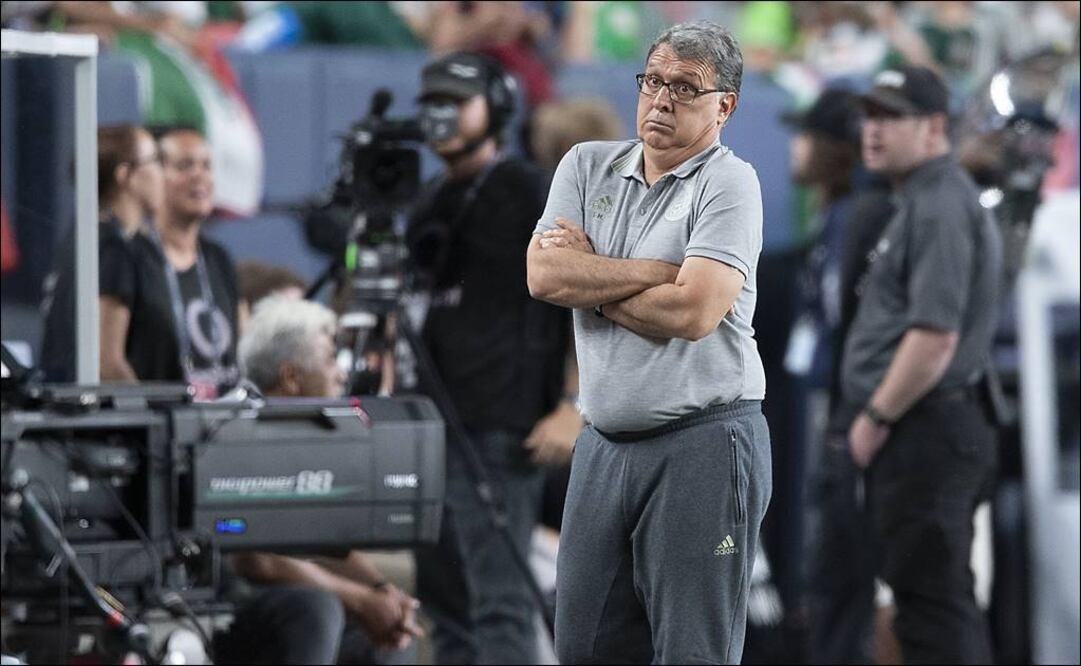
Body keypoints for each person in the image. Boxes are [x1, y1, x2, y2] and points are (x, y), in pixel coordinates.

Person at [527, 21, 772, 664]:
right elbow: (545, 274)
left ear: (725, 106)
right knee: (581, 647)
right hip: (603, 442)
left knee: (691, 651)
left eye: (684, 88)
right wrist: (655, 275)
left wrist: (596, 281)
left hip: (704, 440)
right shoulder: (585, 165)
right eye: (653, 81)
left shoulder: (730, 183)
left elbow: (693, 311)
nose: (661, 99)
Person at [405, 51, 575, 664]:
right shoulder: (425, 200)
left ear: (497, 109)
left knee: (500, 608)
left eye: (454, 102)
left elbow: (586, 300)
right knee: (447, 614)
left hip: (500, 433)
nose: (438, 116)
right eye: (429, 103)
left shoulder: (530, 189)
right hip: (425, 431)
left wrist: (574, 403)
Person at [838, 64, 1002, 664]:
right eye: (869, 116)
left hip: (925, 428)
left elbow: (934, 337)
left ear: (935, 127)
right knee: (930, 601)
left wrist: (875, 416)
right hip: (927, 429)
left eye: (891, 117)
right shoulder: (923, 199)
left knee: (934, 609)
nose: (872, 131)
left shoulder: (938, 204)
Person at [228, 297, 423, 665]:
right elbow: (256, 562)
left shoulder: (313, 444)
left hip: (290, 607)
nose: (341, 374)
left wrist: (382, 593)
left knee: (390, 632)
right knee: (319, 608)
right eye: (330, 359)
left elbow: (327, 544)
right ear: (290, 377)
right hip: (232, 607)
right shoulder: (239, 437)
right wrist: (361, 599)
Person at [109, 125, 240, 399]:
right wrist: (149, 421)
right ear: (157, 174)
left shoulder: (220, 259)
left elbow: (243, 353)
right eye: (184, 166)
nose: (200, 176)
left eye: (207, 166)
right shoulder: (128, 256)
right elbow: (108, 362)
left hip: (221, 428)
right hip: (157, 432)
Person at [41, 124, 163, 382]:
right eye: (155, 161)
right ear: (125, 175)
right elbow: (107, 363)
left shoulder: (81, 239)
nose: (162, 173)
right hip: (99, 417)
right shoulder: (111, 248)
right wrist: (150, 416)